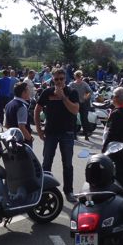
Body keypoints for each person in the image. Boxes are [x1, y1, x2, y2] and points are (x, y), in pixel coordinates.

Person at [34, 68, 80, 203]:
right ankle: (44, 190)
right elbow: (37, 110)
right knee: (47, 163)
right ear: (52, 79)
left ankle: (69, 191)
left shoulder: (71, 92)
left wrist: (63, 97)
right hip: (51, 133)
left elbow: (75, 110)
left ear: (65, 79)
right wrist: (39, 130)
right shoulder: (47, 92)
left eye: (61, 79)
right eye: (56, 79)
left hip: (67, 133)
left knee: (68, 164)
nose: (59, 81)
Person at [102, 87, 123, 153]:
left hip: (114, 146)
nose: (112, 99)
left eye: (112, 96)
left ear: (116, 98)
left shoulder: (117, 113)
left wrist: (104, 147)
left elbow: (112, 132)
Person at [4, 81, 34, 146]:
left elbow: (7, 125)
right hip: (22, 142)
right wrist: (30, 138)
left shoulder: (8, 105)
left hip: (12, 140)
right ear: (23, 93)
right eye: (28, 90)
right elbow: (22, 127)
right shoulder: (22, 106)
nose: (29, 92)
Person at [69, 70, 94, 140]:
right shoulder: (84, 84)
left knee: (74, 119)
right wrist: (86, 97)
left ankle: (74, 135)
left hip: (75, 103)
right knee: (83, 119)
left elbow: (67, 91)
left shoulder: (72, 84)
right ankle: (86, 135)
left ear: (75, 76)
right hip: (82, 103)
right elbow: (90, 92)